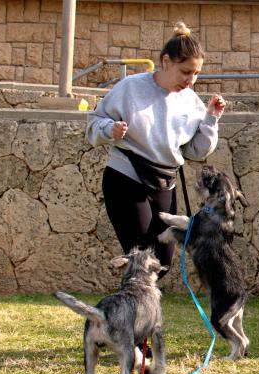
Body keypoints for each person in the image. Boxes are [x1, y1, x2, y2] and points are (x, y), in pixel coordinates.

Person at [86, 21, 226, 278]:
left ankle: (127, 310)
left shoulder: (191, 102)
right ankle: (130, 316)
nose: (190, 80)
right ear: (165, 61)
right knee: (142, 257)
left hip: (165, 181)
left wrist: (210, 119)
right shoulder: (130, 87)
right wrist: (110, 129)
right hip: (126, 177)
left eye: (196, 74)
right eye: (185, 72)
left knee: (161, 263)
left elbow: (196, 152)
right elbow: (94, 123)